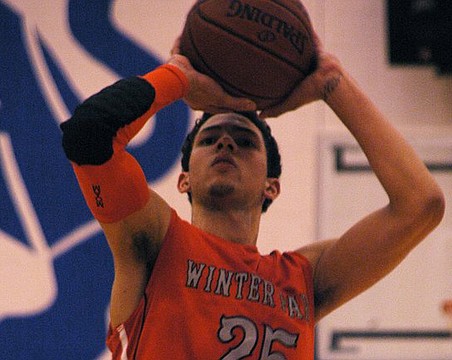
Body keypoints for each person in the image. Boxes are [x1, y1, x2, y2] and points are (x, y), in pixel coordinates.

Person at [60, 32, 445, 359]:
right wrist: (178, 78)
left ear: (271, 186)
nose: (226, 142)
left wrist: (332, 82)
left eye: (245, 141)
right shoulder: (156, 242)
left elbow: (421, 205)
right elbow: (89, 134)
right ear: (184, 181)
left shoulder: (303, 280)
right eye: (210, 140)